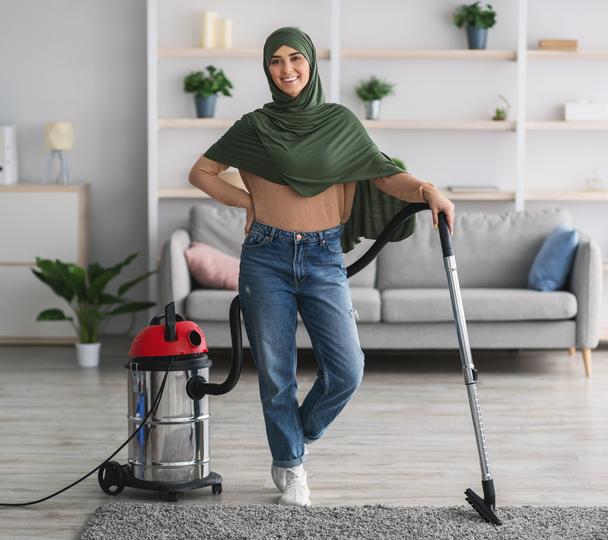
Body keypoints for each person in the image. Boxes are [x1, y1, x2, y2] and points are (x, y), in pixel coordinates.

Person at [188, 26, 455, 507]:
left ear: (311, 64)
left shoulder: (339, 122)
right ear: (266, 68)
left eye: (295, 59)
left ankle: (296, 435)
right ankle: (290, 466)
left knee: (347, 369)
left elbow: (386, 175)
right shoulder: (254, 126)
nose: (286, 69)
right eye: (275, 61)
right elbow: (201, 172)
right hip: (265, 257)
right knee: (276, 372)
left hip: (323, 257)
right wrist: (246, 199)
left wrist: (428, 190)